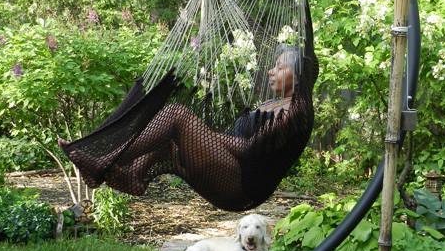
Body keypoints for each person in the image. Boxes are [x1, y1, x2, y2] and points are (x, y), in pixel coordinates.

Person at [61, 45, 307, 209]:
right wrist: (206, 137)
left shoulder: (293, 113)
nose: (271, 71)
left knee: (176, 114)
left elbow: (250, 150)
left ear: (298, 77)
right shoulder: (270, 104)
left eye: (280, 67)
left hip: (240, 185)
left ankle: (104, 161)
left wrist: (207, 135)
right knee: (169, 135)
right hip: (227, 168)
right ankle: (134, 175)